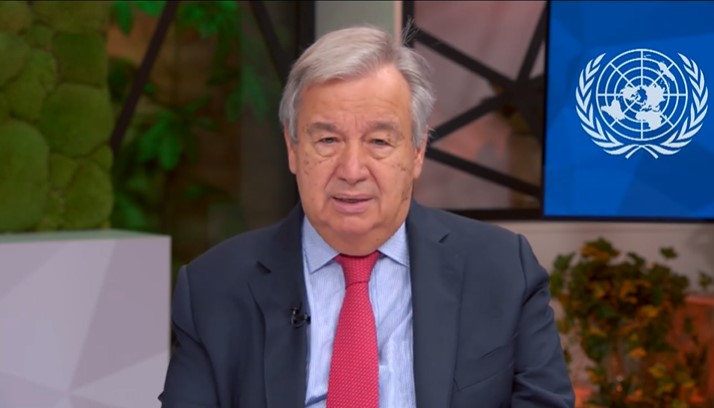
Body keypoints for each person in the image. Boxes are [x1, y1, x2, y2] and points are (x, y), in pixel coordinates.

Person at [160, 25, 574, 408]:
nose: (352, 169)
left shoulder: (503, 270)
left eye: (379, 141)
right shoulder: (214, 289)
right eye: (327, 139)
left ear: (417, 152)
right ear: (292, 148)